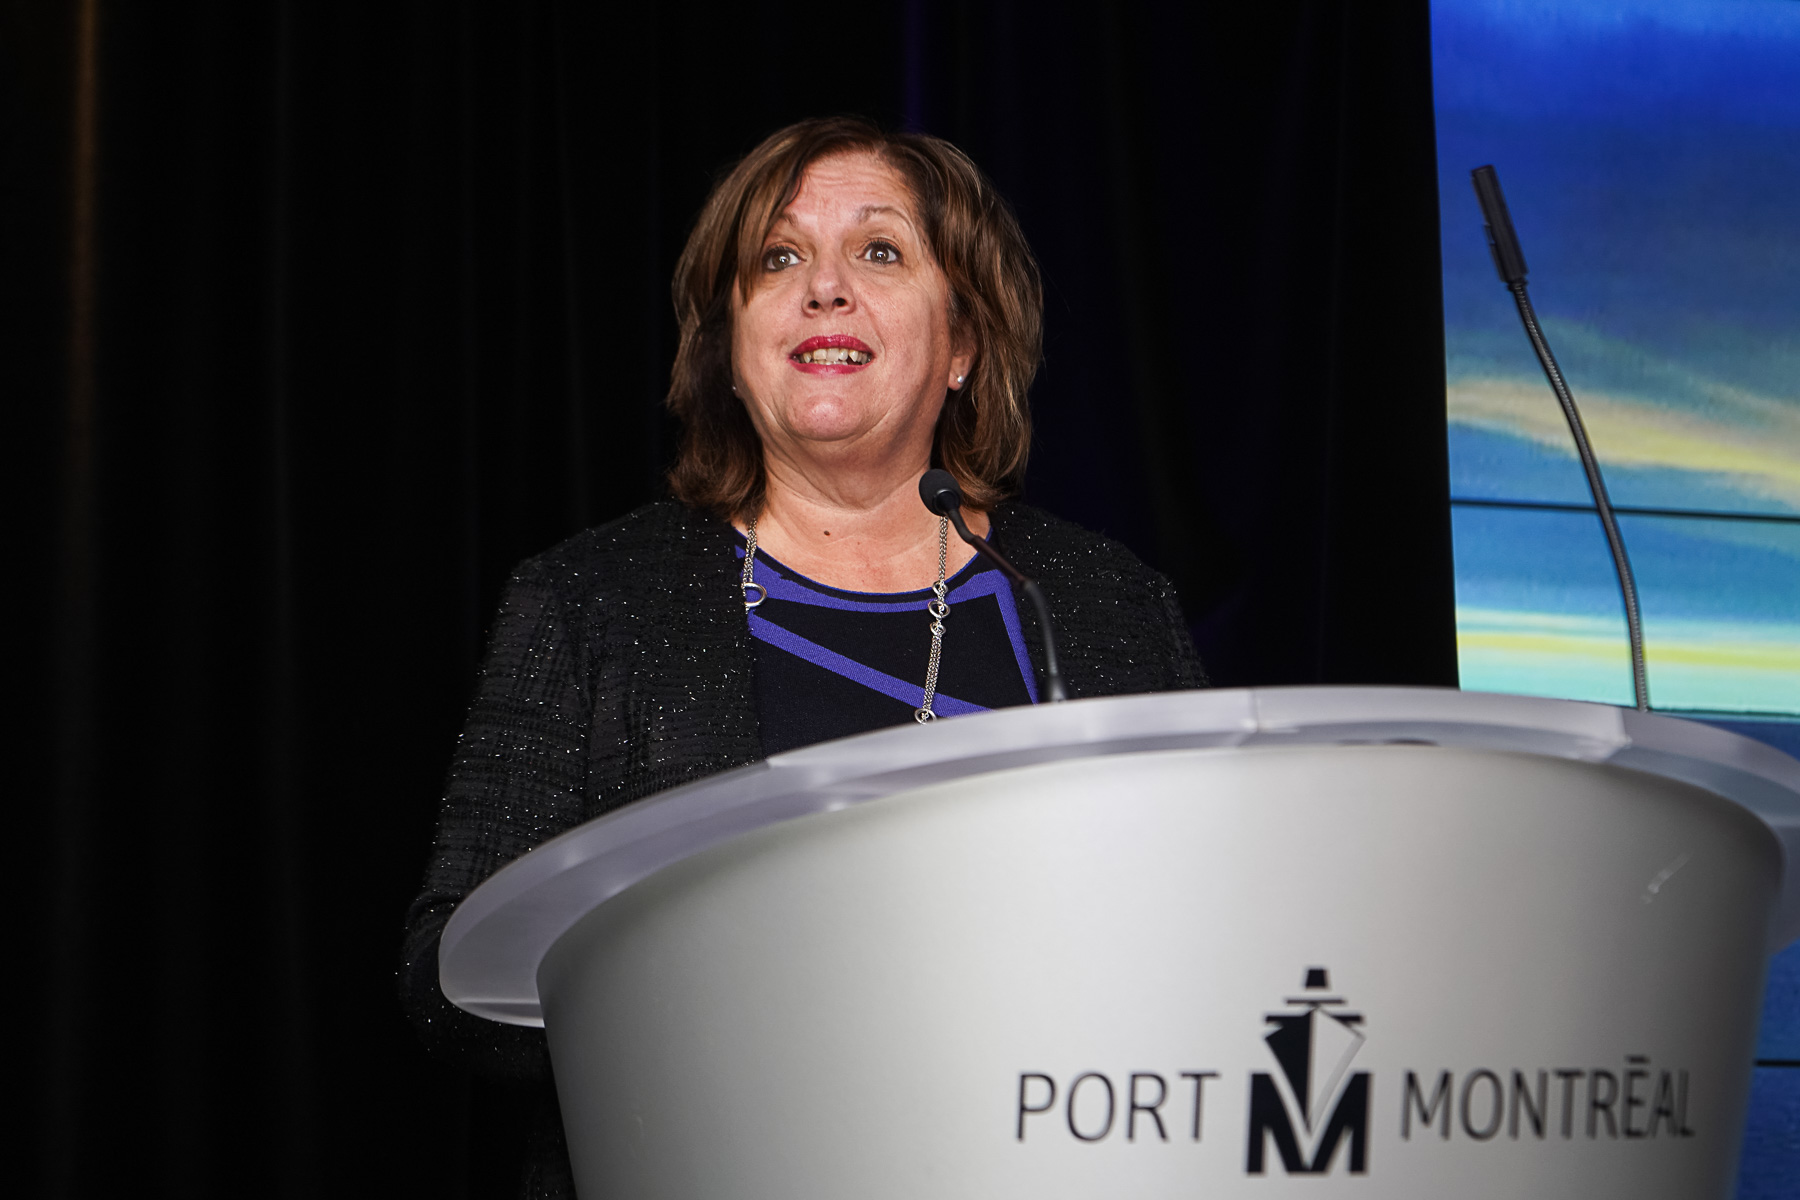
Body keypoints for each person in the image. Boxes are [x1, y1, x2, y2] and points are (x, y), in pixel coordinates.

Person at [400, 116, 1206, 1198]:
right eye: (778, 259)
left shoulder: (1105, 606)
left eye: (879, 250)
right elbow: (450, 978)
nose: (825, 288)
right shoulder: (593, 601)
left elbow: (1205, 941)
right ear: (730, 348)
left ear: (964, 344)